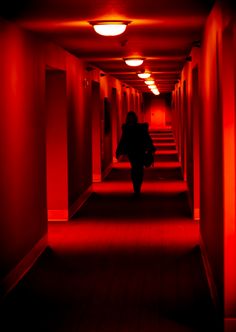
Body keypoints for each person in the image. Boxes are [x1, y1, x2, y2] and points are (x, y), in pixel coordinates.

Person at [116, 111, 156, 195]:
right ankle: (136, 186)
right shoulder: (126, 128)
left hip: (140, 150)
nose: (131, 119)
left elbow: (146, 137)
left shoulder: (140, 128)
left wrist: (150, 147)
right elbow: (123, 139)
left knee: (139, 169)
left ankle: (138, 186)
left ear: (135, 118)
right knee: (135, 168)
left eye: (132, 117)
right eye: (129, 117)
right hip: (132, 152)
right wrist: (119, 150)